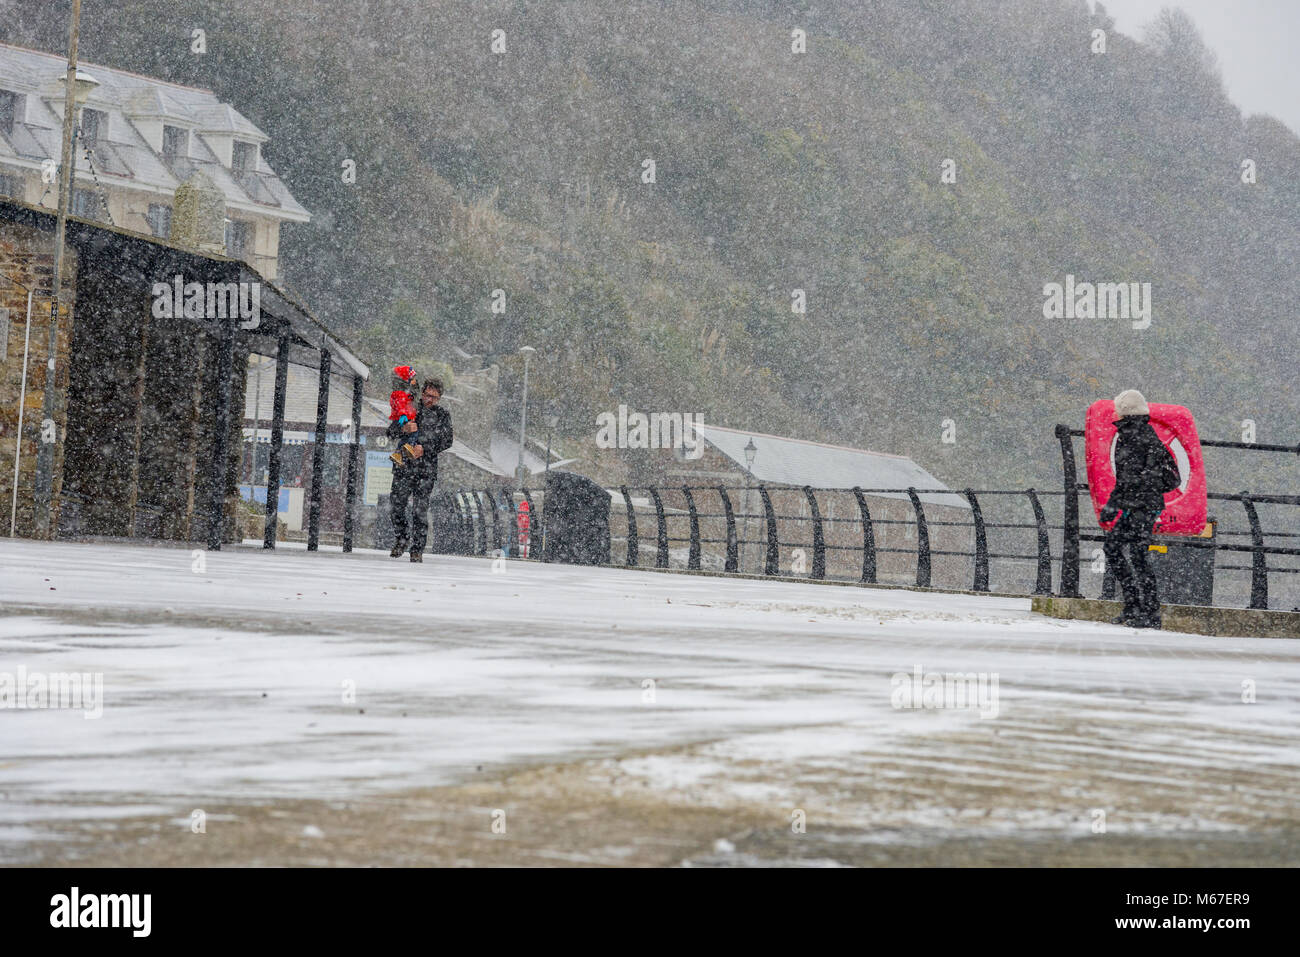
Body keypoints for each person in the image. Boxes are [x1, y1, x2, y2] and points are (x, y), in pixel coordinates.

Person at [1100, 389, 1180, 629]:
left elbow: (1130, 479)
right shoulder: (1134, 434)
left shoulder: (1138, 437)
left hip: (1142, 506)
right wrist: (1116, 505)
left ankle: (1146, 609)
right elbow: (1128, 478)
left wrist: (1114, 505)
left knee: (1134, 554)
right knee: (1123, 550)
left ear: (1125, 411)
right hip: (1137, 504)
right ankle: (1137, 606)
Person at [388, 377, 453, 562]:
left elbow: (447, 440)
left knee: (420, 510)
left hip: (426, 470)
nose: (429, 399)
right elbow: (391, 431)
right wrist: (404, 429)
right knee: (396, 505)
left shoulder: (442, 415)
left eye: (434, 397)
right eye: (427, 395)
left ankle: (417, 549)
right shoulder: (410, 408)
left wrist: (424, 448)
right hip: (404, 467)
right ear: (422, 392)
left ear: (439, 398)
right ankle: (401, 537)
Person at [388, 365, 421, 466]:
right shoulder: (401, 394)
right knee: (413, 434)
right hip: (405, 418)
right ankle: (408, 447)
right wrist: (403, 417)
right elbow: (401, 405)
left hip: (405, 417)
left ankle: (398, 453)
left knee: (407, 437)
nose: (414, 381)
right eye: (413, 379)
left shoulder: (403, 394)